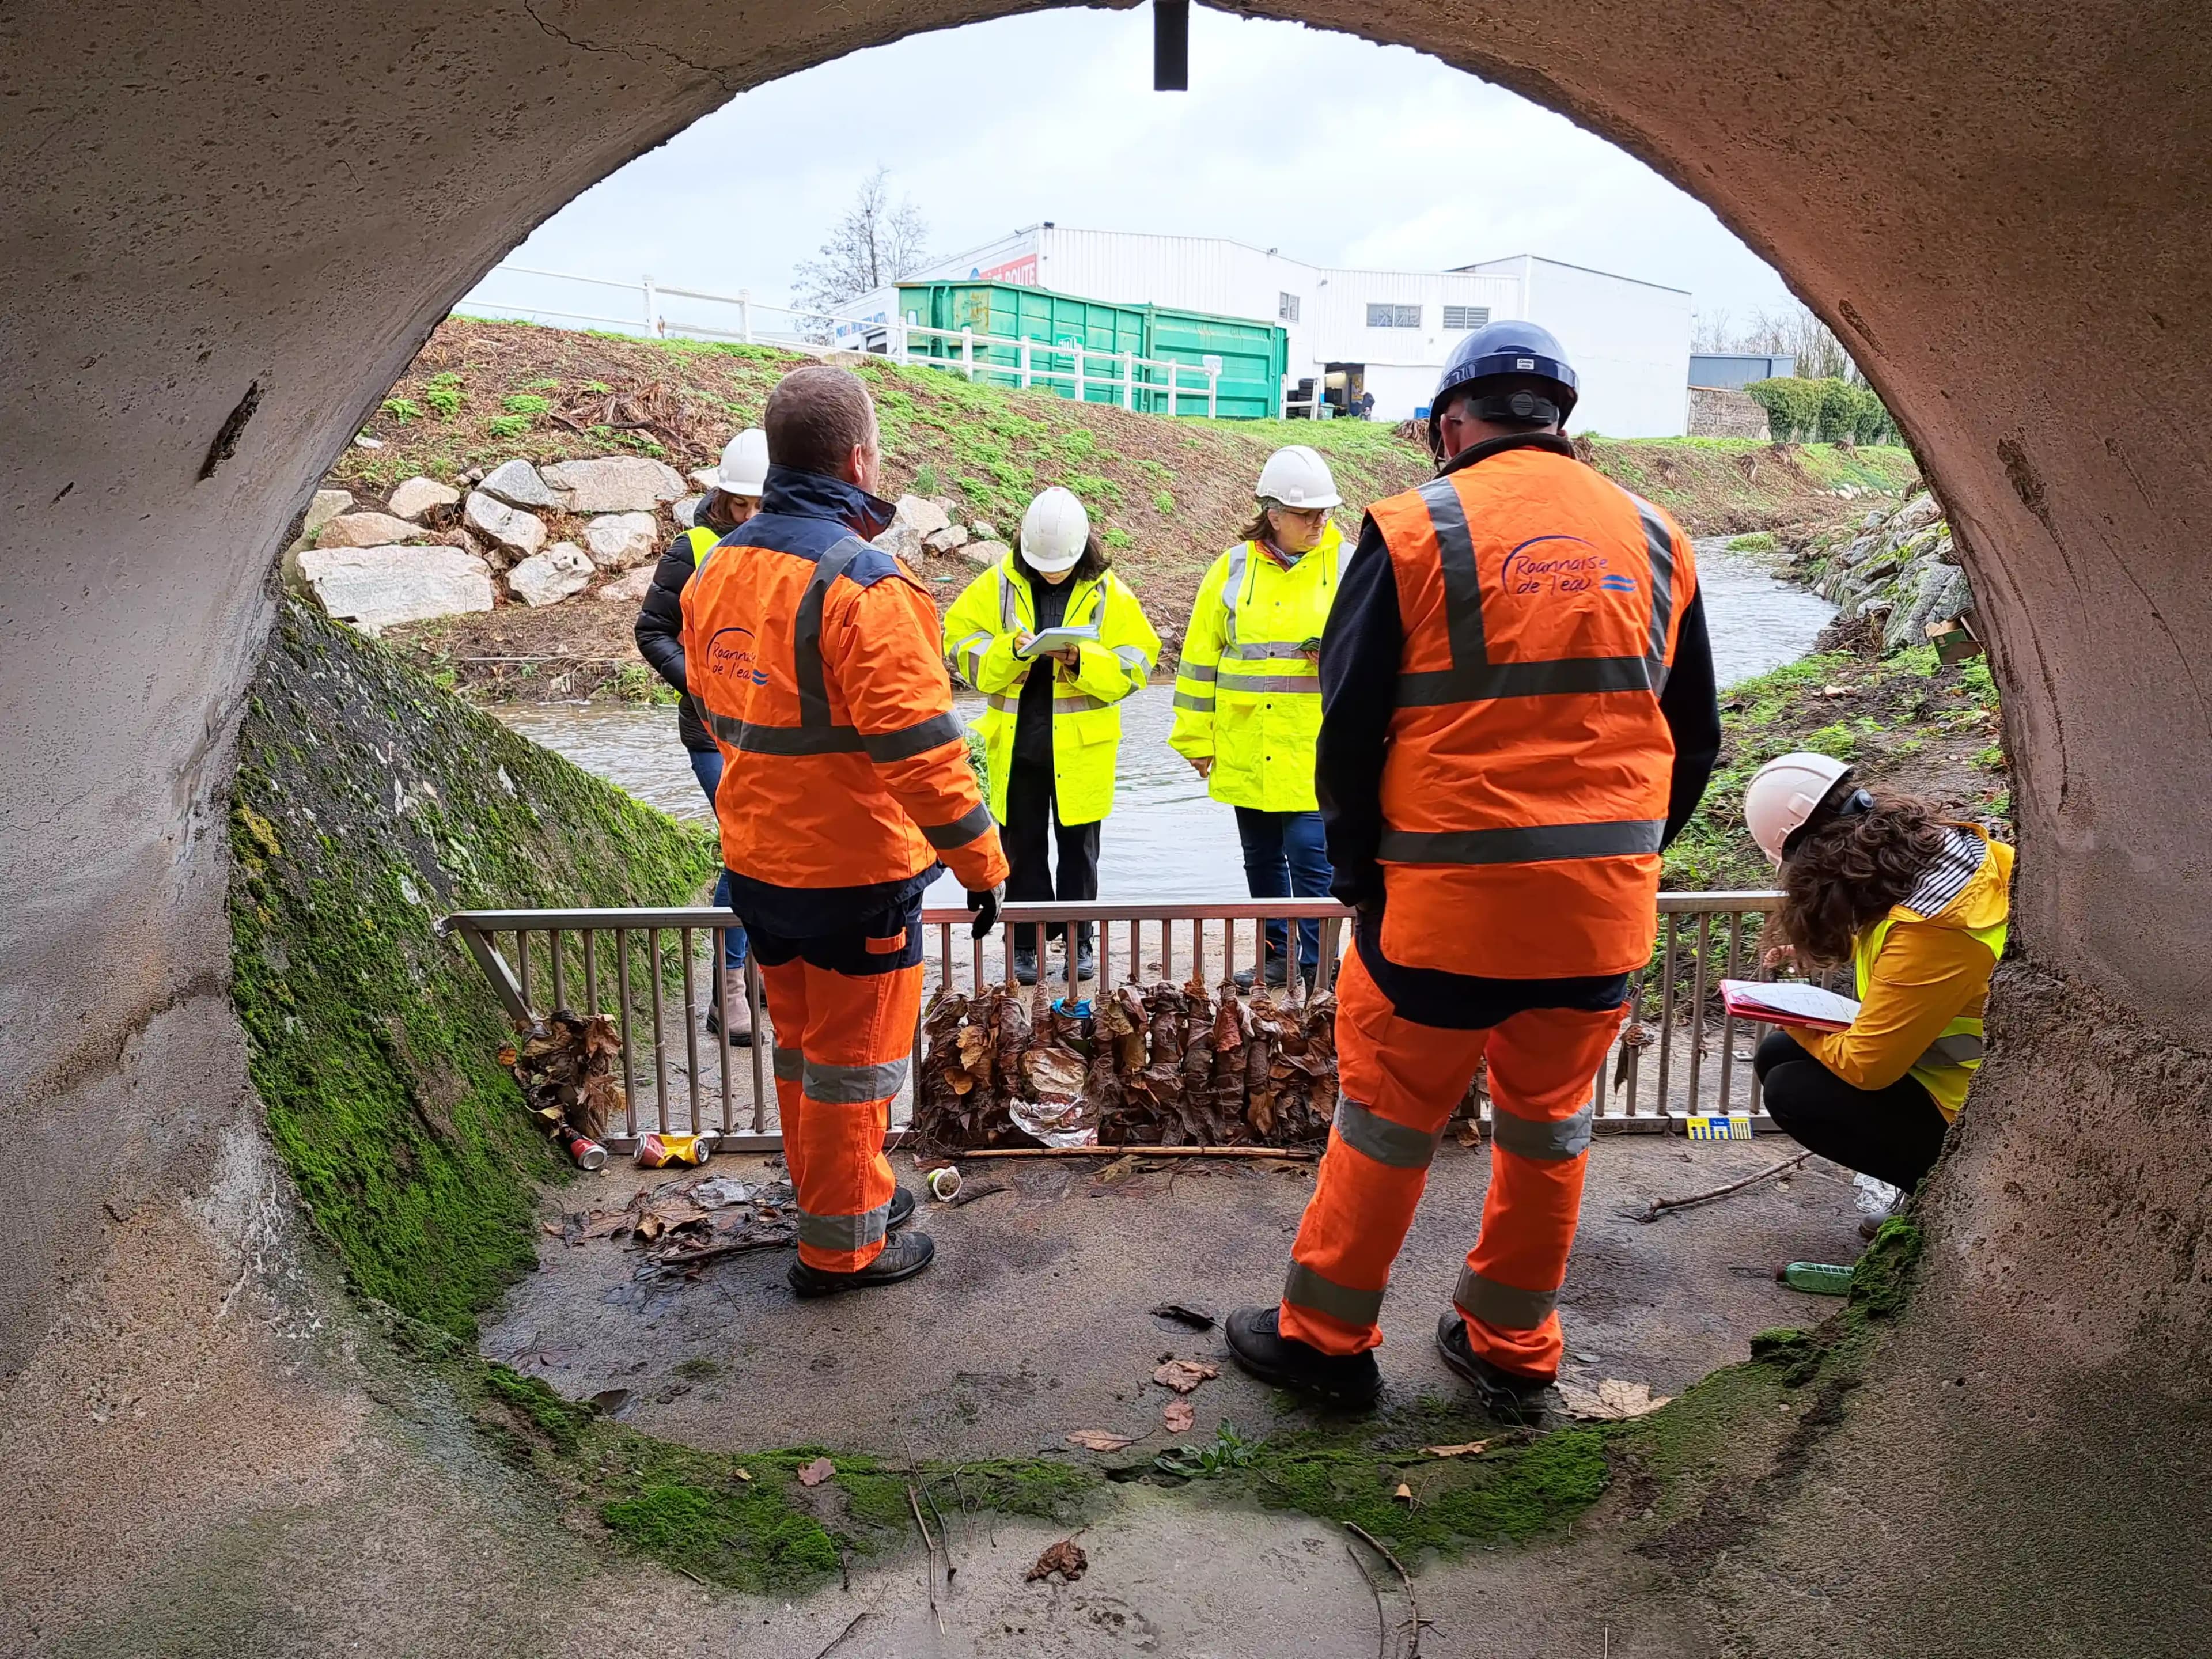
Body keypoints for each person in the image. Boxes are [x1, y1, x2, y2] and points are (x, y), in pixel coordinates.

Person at [1225, 320, 1722, 1412]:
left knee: (1387, 1122)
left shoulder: (1412, 529)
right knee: (1550, 1135)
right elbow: (1697, 740)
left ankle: (1325, 1340)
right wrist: (1623, 861)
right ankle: (1510, 1344)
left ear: (1453, 424)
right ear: (1560, 422)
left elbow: (1347, 737)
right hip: (1595, 923)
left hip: (1443, 921)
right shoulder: (1657, 538)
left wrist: (1359, 883)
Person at [680, 365, 1008, 1296]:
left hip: (758, 870)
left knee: (802, 1056)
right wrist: (982, 864)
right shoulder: (868, 585)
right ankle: (841, 1247)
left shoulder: (720, 571)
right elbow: (925, 757)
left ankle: (835, 1193)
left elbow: (711, 712)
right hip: (856, 878)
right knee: (854, 1068)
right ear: (860, 461)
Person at [1742, 753, 2013, 1197]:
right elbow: (1908, 944)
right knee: (1779, 1054)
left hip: (1975, 1113)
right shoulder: (1942, 859)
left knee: (1794, 1092)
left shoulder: (1934, 933)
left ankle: (1947, 1200)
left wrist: (1786, 1014)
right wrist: (1840, 945)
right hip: (1964, 1081)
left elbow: (1867, 1068)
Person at [942, 487, 1160, 986]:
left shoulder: (1108, 592)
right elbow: (960, 648)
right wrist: (1010, 652)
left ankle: (1079, 943)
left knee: (1079, 852)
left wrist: (1082, 660)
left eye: (1061, 564)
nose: (1052, 573)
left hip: (1080, 749)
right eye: (1045, 564)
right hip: (1017, 746)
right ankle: (1026, 944)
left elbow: (1137, 663)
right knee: (1021, 852)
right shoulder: (996, 584)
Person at [1169, 445, 1347, 990]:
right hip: (1248, 744)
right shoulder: (1233, 568)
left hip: (1317, 748)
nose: (1319, 521)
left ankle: (1318, 963)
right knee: (1263, 860)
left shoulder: (1348, 564)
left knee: (1313, 857)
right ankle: (1277, 956)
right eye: (1305, 513)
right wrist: (1195, 739)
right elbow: (1200, 659)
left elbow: (1384, 653)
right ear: (1273, 513)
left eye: (1325, 511)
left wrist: (1336, 651)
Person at [635, 427, 768, 1044]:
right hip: (713, 733)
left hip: (772, 732)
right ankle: (729, 987)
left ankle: (760, 967)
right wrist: (701, 682)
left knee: (775, 850)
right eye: (739, 503)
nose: (748, 515)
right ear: (721, 493)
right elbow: (652, 631)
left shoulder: (787, 547)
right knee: (748, 844)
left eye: (760, 503)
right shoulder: (691, 549)